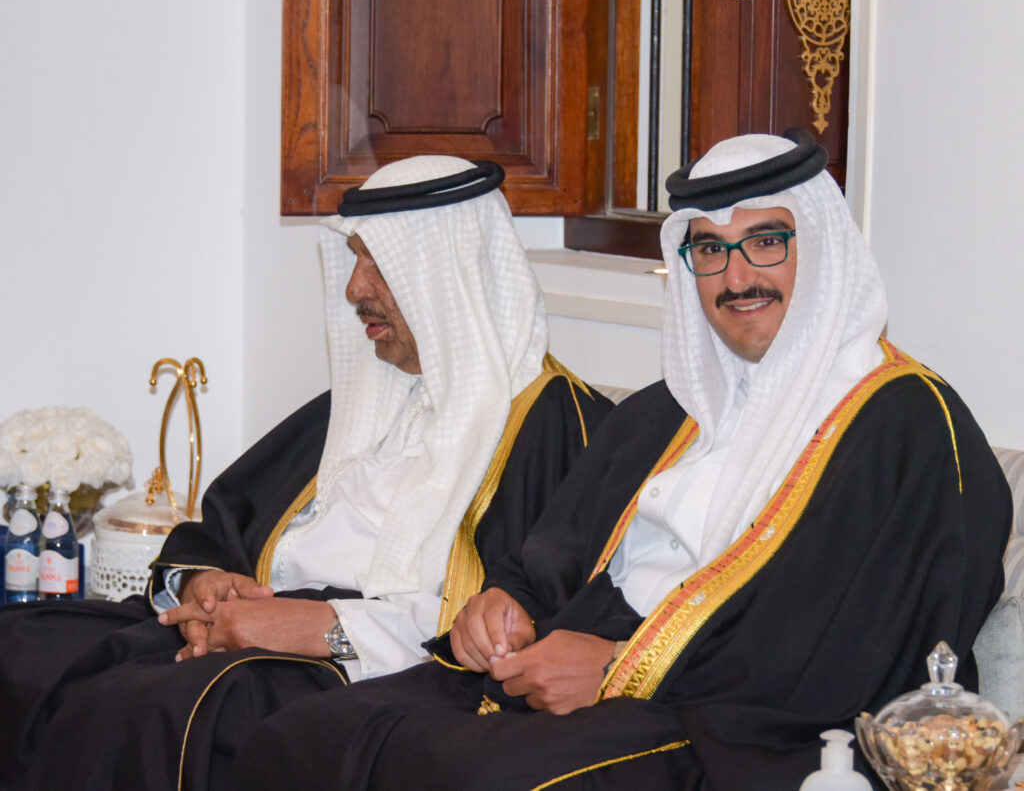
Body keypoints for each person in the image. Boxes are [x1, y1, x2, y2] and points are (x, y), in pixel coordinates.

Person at [229, 130, 1012, 790]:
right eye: (711, 249)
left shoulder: (908, 425)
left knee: (471, 775)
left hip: (725, 723)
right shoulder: (668, 408)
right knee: (304, 736)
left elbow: (857, 645)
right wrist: (504, 602)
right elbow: (554, 551)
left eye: (767, 241)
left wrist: (618, 666)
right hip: (576, 668)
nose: (738, 276)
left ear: (825, 249)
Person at [0, 156, 612, 790]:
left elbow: (525, 618)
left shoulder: (556, 423)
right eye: (354, 258)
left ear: (450, 274)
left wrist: (326, 630)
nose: (354, 289)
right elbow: (230, 522)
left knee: (157, 708)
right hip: (255, 628)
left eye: (378, 263)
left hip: (366, 668)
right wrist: (204, 586)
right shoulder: (369, 395)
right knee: (22, 646)